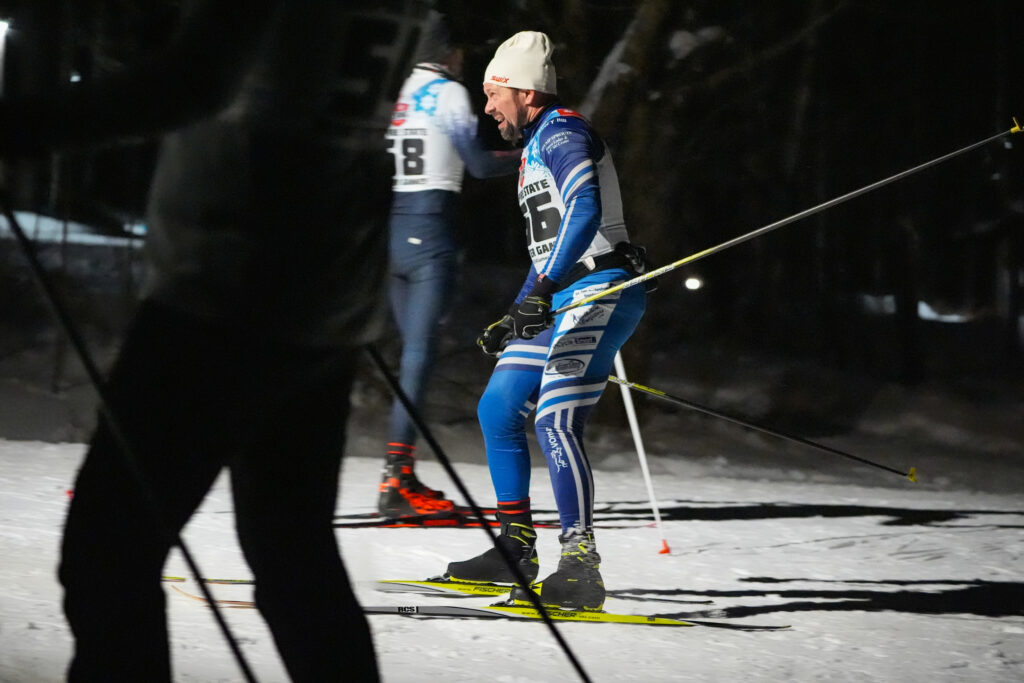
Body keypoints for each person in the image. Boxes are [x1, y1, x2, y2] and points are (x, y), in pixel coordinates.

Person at [0, 1, 431, 680]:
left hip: (229, 278)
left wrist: (28, 125)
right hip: (326, 283)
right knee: (292, 553)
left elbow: (193, 84)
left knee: (109, 548)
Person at [443, 31, 649, 611]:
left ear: (522, 90)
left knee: (556, 417)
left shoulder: (561, 130)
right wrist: (517, 312)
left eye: (492, 94)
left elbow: (583, 208)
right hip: (561, 293)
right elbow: (547, 250)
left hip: (601, 288)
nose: (487, 107)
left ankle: (580, 562)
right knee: (499, 406)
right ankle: (515, 546)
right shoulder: (535, 144)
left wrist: (545, 291)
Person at [378, 12, 520, 518]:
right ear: (446, 53)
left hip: (391, 231)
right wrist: (528, 157)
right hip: (430, 232)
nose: (465, 60)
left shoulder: (397, 91)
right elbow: (479, 164)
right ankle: (395, 482)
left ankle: (400, 475)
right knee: (418, 359)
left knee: (407, 361)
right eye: (460, 51)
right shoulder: (447, 92)